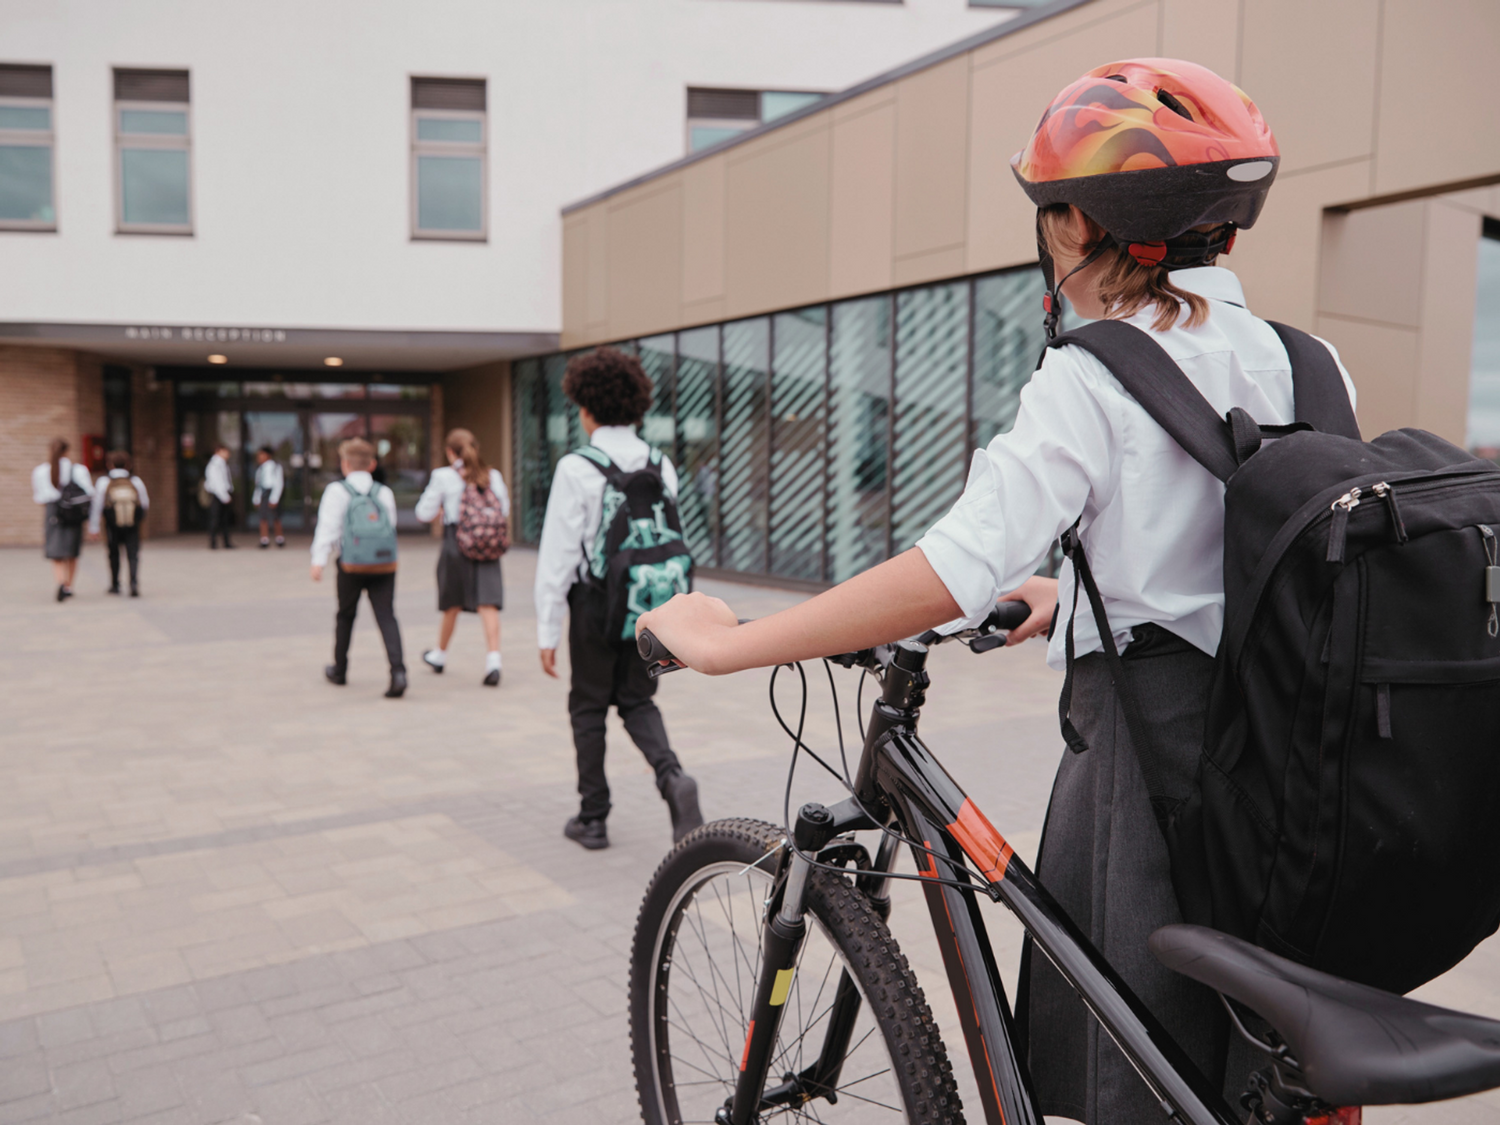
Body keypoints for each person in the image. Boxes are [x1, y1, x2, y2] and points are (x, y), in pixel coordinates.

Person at [636, 59, 1346, 1125]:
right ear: (1223, 232)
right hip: (1294, 770)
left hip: (1150, 778)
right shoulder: (1308, 362)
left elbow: (948, 573)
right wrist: (1077, 596)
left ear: (1076, 226)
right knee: (1239, 1067)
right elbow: (1269, 541)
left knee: (1134, 1071)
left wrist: (731, 643)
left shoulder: (1095, 371)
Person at [534, 348, 703, 851]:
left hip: (594, 606)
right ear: (637, 405)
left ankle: (593, 817)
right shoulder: (661, 463)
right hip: (649, 608)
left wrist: (546, 629)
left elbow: (558, 557)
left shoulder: (576, 467)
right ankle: (673, 779)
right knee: (637, 700)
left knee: (588, 708)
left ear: (585, 406)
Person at [310, 437, 407, 698]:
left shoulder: (337, 491)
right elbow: (391, 526)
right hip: (384, 563)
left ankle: (340, 670)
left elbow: (328, 528)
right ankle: (398, 672)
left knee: (345, 615)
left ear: (344, 464)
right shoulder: (383, 492)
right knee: (387, 616)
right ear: (372, 464)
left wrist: (318, 560)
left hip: (351, 565)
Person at [414, 429, 509, 686]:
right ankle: (493, 661)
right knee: (487, 604)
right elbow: (505, 508)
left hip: (456, 542)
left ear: (450, 452)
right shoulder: (493, 475)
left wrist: (444, 507)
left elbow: (423, 513)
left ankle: (440, 655)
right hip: (487, 545)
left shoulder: (443, 476)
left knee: (452, 603)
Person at [31, 437, 94, 602]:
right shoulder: (78, 470)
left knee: (57, 552)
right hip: (73, 513)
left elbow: (39, 498)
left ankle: (60, 581)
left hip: (52, 512)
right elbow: (88, 492)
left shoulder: (40, 471)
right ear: (67, 451)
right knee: (72, 552)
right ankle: (68, 586)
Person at [88, 450, 149, 597]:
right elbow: (145, 503)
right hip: (132, 524)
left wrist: (94, 526)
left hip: (111, 523)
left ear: (110, 465)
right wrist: (139, 519)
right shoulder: (135, 481)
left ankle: (115, 584)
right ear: (128, 465)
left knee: (113, 553)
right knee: (133, 554)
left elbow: (97, 506)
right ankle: (133, 583)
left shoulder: (104, 482)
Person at [252, 446, 285, 548]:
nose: (260, 457)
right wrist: (256, 498)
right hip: (263, 493)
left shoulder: (275, 467)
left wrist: (274, 498)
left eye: (262, 454)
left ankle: (279, 538)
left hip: (272, 492)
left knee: (276, 518)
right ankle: (264, 539)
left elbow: (279, 483)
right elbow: (258, 485)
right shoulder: (259, 469)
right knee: (263, 518)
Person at [204, 443, 235, 549]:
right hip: (218, 495)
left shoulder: (222, 464)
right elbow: (216, 483)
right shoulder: (214, 465)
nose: (227, 454)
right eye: (225, 451)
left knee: (224, 520)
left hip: (224, 494)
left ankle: (226, 542)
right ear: (218, 451)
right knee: (215, 519)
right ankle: (213, 542)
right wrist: (224, 496)